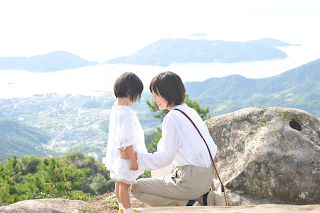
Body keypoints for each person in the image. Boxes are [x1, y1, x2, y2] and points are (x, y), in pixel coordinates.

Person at [119, 71, 217, 207]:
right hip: (206, 179)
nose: (154, 99)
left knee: (136, 188)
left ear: (168, 93)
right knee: (164, 172)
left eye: (156, 94)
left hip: (190, 182)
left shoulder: (172, 118)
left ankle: (187, 204)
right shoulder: (190, 112)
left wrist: (134, 157)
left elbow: (164, 158)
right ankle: (201, 198)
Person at [105, 72, 148, 213]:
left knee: (118, 182)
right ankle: (128, 210)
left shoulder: (115, 108)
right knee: (124, 185)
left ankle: (121, 208)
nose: (136, 100)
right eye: (136, 96)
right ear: (129, 92)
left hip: (116, 154)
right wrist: (133, 160)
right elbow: (128, 140)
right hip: (125, 156)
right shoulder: (127, 114)